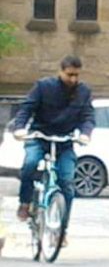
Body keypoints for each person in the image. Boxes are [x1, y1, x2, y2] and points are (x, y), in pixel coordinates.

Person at [12, 55, 95, 244]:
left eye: (76, 75)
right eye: (69, 75)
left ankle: (62, 230)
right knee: (30, 163)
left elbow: (88, 115)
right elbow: (27, 108)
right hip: (39, 136)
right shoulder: (43, 86)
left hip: (64, 141)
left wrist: (85, 133)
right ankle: (25, 202)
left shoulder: (83, 92)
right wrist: (19, 128)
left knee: (67, 182)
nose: (73, 79)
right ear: (61, 72)